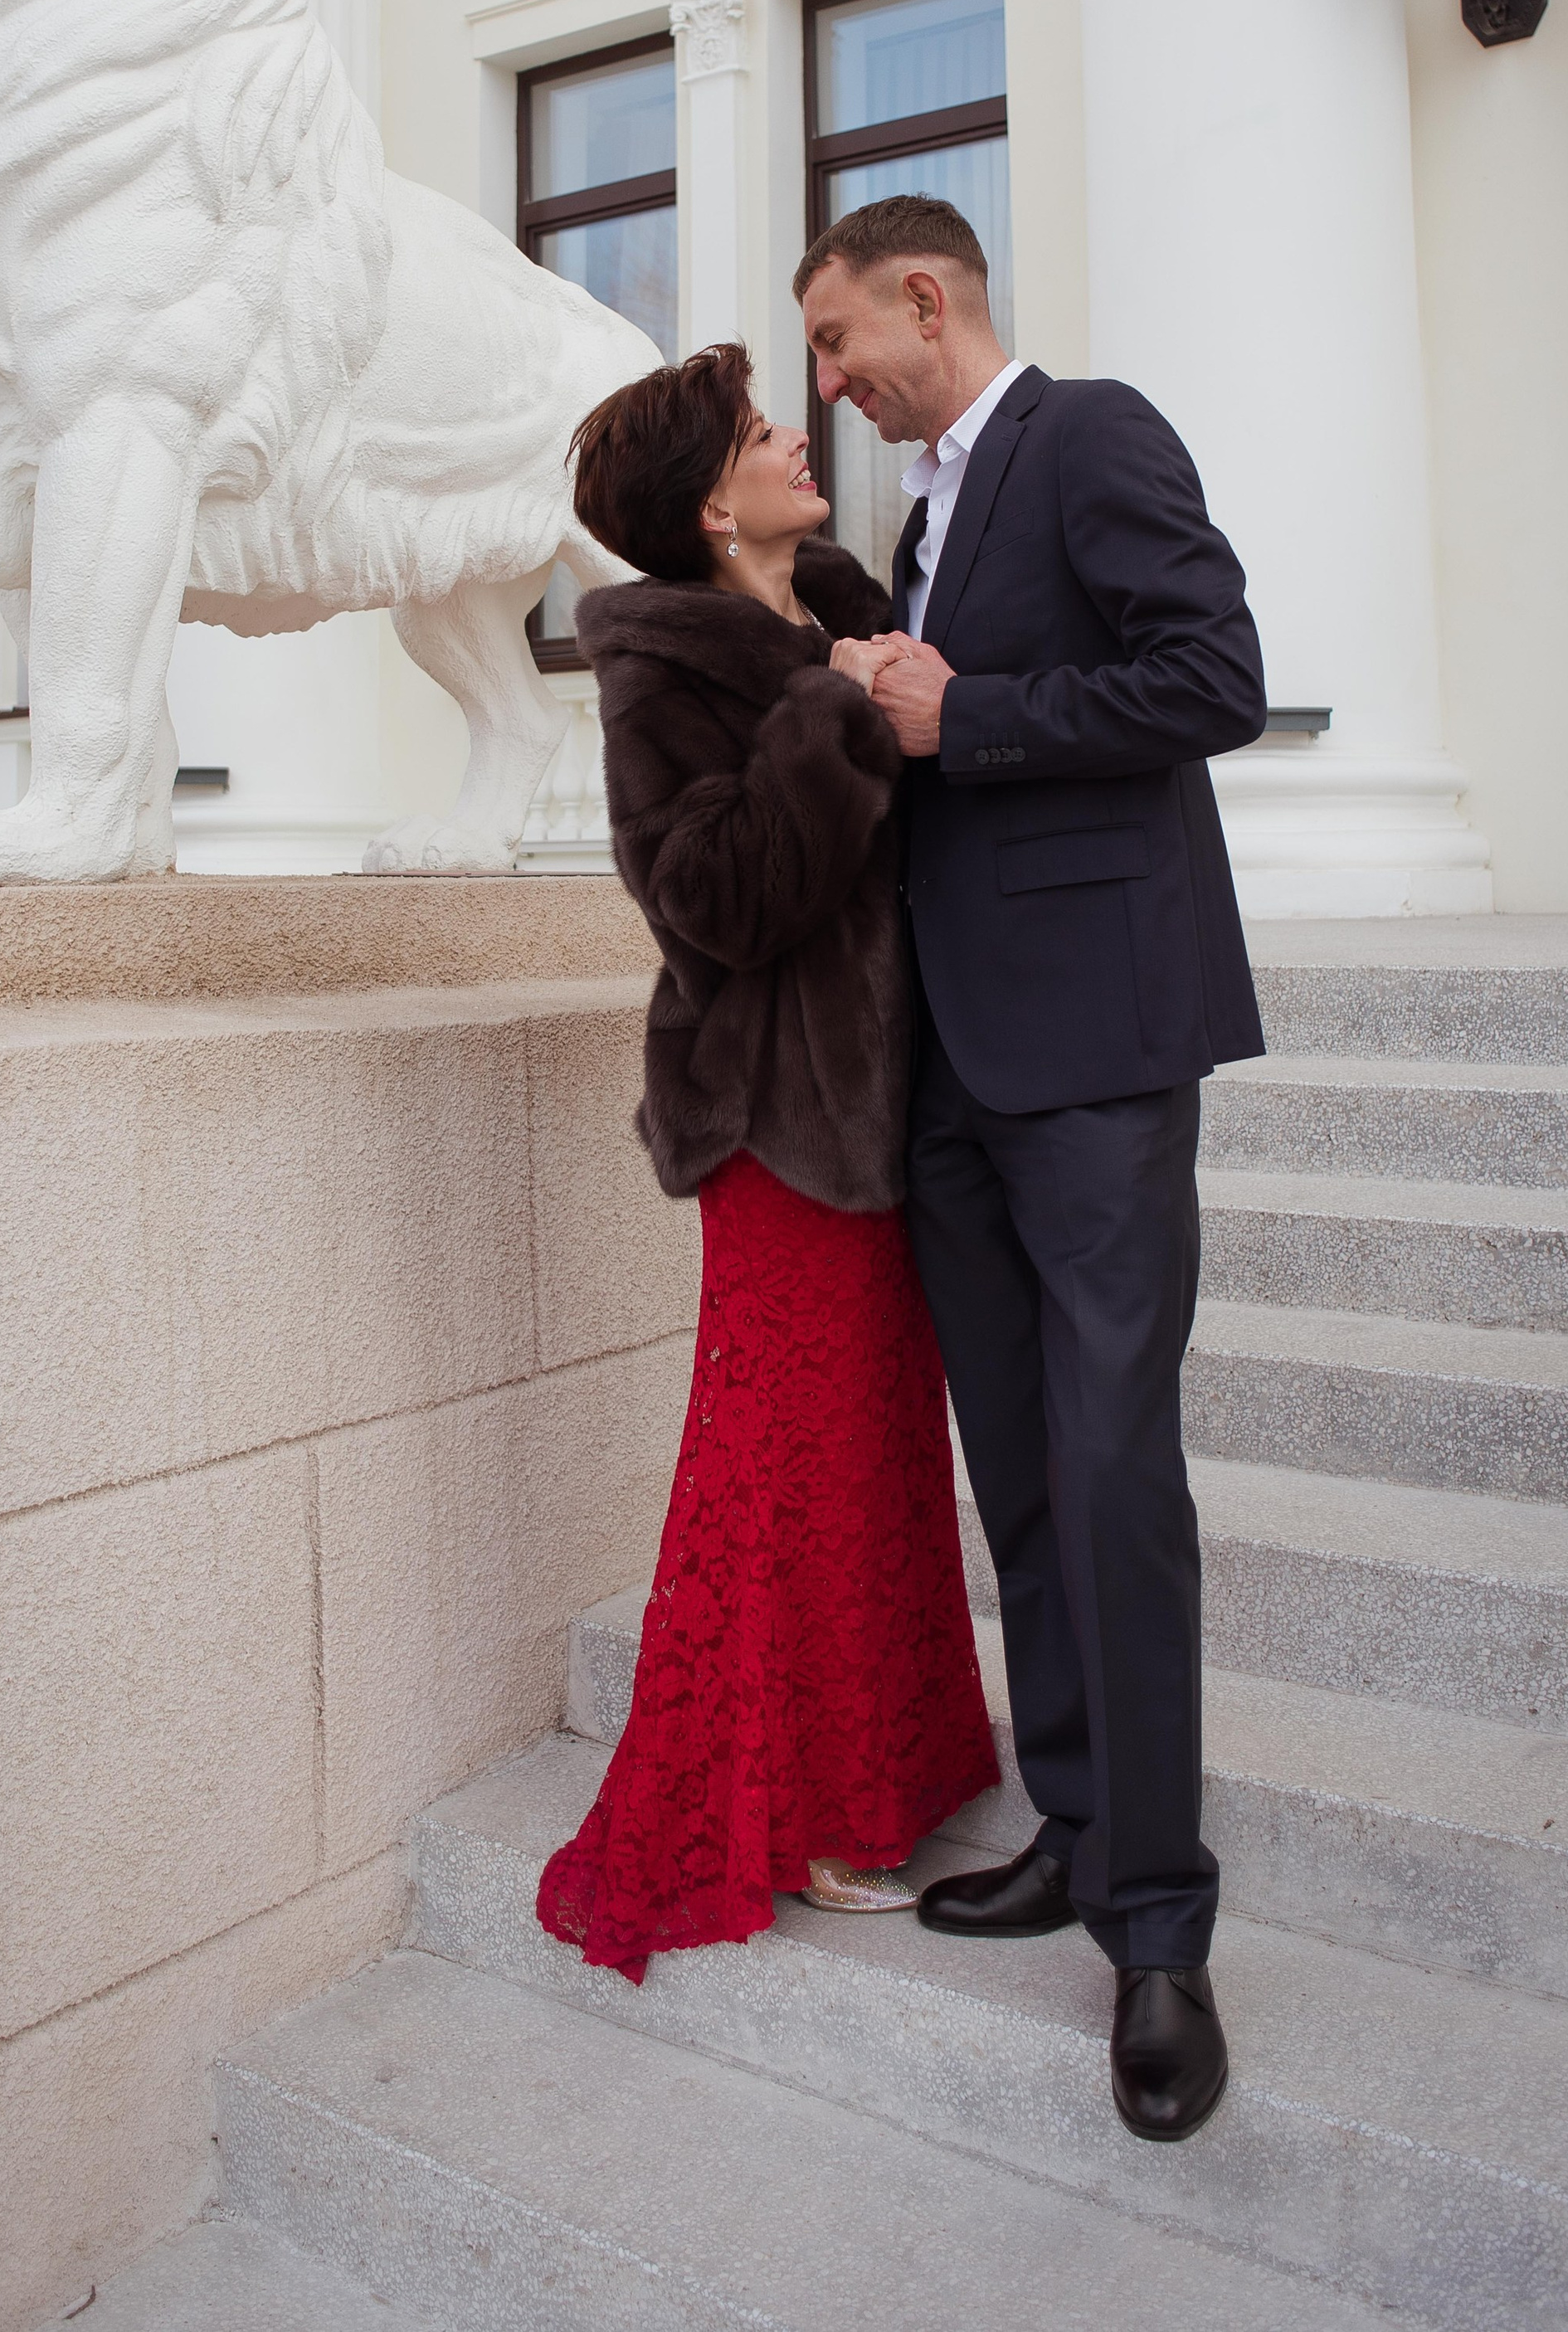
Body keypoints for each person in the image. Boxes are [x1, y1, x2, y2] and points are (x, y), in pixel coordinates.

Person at [797, 195, 1267, 2145]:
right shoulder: (916, 516)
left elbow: (1211, 675)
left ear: (928, 296)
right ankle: (1075, 1829)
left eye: (839, 340)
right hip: (956, 1081)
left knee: (1107, 1468)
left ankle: (1157, 1930)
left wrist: (960, 713)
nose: (829, 380)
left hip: (1092, 1054)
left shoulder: (1091, 435)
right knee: (1021, 1475)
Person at [535, 341, 998, 1987]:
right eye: (755, 429)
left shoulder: (850, 617)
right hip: (778, 1126)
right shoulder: (672, 673)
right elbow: (711, 901)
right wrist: (829, 710)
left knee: (878, 1447)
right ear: (707, 498)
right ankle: (788, 1809)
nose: (797, 431)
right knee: (781, 1460)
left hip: (902, 1113)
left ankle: (890, 1767)